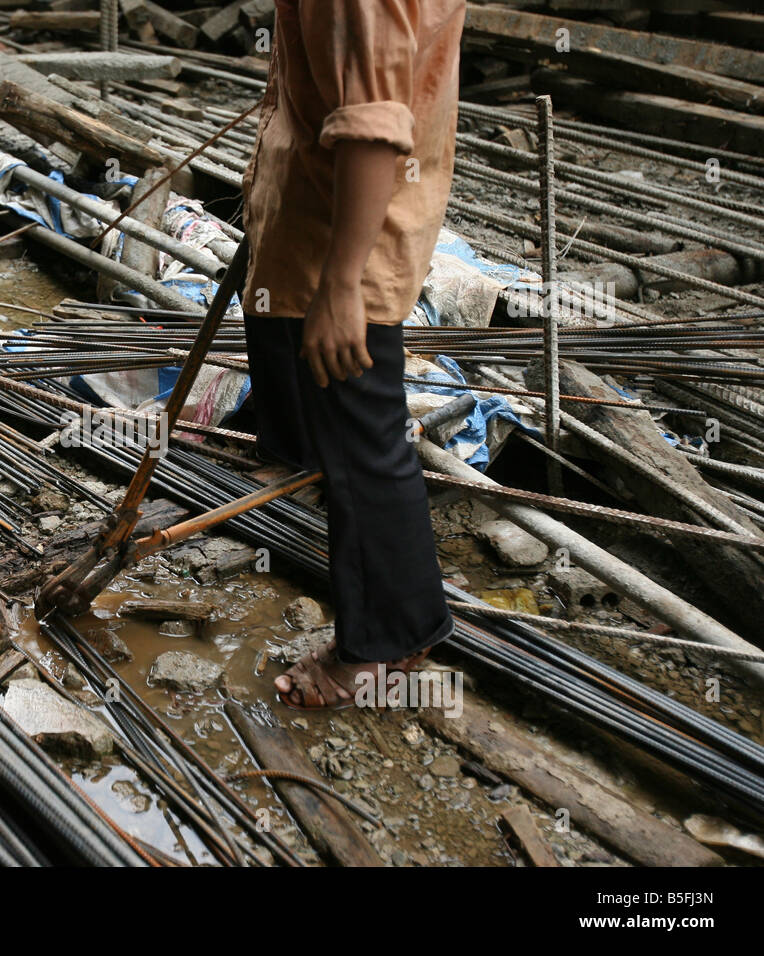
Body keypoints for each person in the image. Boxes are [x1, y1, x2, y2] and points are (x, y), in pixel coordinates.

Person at [241, 0, 466, 708]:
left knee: (364, 443)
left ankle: (384, 641)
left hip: (345, 240)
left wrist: (342, 283)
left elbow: (373, 125)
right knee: (322, 419)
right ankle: (320, 495)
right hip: (311, 213)